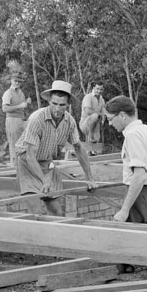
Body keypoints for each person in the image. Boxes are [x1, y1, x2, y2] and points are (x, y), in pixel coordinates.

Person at [14, 80, 96, 216]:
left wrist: (90, 178)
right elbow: (30, 156)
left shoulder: (69, 122)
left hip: (47, 164)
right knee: (37, 213)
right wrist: (43, 181)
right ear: (49, 102)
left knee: (57, 212)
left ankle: (56, 236)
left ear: (68, 104)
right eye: (54, 104)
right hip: (28, 164)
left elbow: (79, 148)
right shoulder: (37, 119)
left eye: (62, 105)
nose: (57, 109)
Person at [106, 95, 147, 224]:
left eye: (110, 119)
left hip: (141, 197)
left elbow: (140, 176)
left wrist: (125, 210)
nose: (110, 123)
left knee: (137, 242)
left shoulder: (133, 136)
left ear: (122, 115)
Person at [1, 73, 29, 166]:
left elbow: (22, 106)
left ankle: (22, 167)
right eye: (15, 80)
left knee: (22, 145)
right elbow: (5, 109)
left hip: (21, 120)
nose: (17, 82)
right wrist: (20, 106)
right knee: (14, 145)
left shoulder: (21, 92)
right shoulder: (8, 93)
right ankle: (14, 167)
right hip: (12, 120)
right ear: (11, 81)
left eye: (19, 81)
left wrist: (26, 103)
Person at [79, 82, 105, 154]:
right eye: (97, 89)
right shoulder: (88, 97)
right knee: (95, 115)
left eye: (101, 89)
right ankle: (90, 137)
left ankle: (90, 153)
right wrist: (100, 114)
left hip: (95, 126)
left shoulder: (102, 100)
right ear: (93, 88)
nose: (99, 91)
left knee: (95, 149)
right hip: (85, 124)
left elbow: (104, 112)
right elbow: (87, 110)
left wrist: (103, 118)